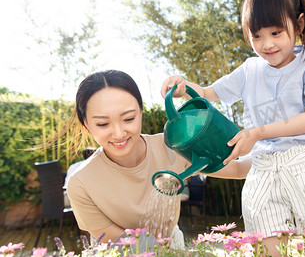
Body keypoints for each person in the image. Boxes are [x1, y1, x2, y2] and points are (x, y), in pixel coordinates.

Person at [161, 0, 305, 257]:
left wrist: (257, 133)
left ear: (299, 24)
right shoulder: (249, 70)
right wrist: (183, 86)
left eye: (276, 32)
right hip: (262, 171)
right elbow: (206, 93)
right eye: (257, 36)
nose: (267, 44)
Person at [59, 70, 250, 247]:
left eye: (128, 119)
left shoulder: (173, 148)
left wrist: (268, 142)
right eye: (102, 123)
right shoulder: (81, 183)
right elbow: (122, 243)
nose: (118, 133)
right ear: (85, 124)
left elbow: (239, 169)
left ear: (141, 112)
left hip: (171, 246)